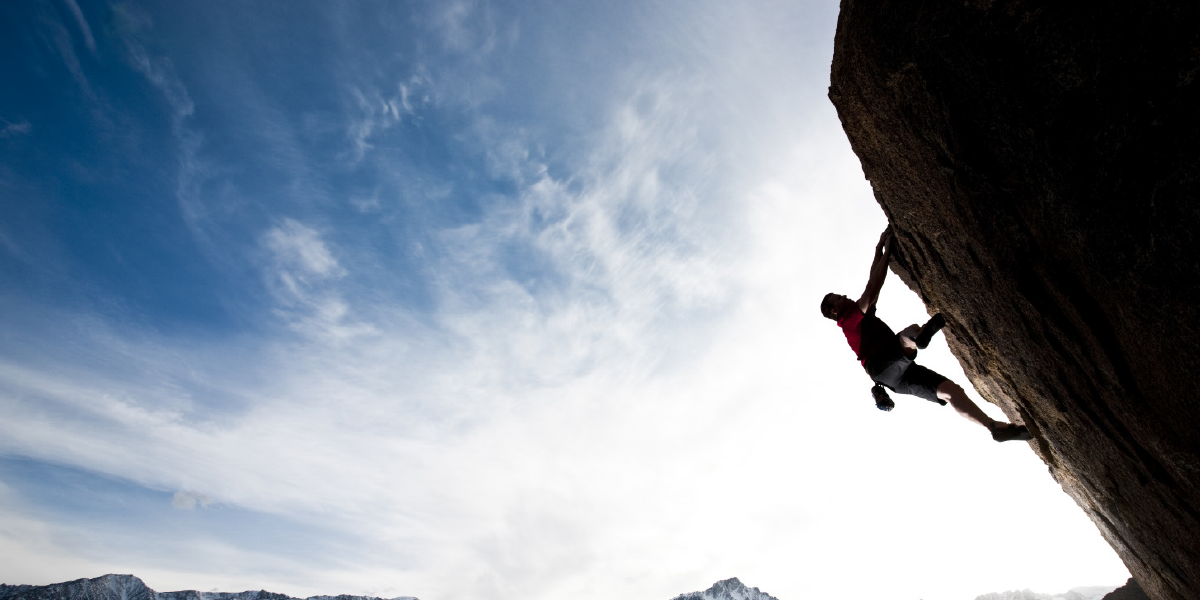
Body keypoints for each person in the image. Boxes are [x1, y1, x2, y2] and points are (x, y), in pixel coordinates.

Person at [820, 226, 1031, 443]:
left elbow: (872, 283)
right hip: (880, 363)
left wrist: (878, 251)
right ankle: (917, 339)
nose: (843, 295)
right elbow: (872, 290)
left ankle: (993, 427)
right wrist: (889, 250)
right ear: (834, 310)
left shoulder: (861, 317)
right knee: (907, 334)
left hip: (899, 377)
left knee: (951, 391)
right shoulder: (847, 320)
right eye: (837, 298)